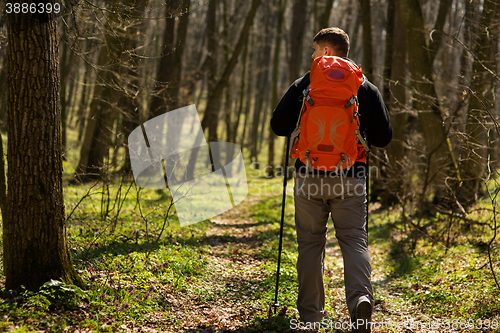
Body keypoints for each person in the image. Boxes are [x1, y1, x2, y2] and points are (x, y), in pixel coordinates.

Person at [270, 27, 392, 332]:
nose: (313, 56)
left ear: (326, 51)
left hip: (308, 176)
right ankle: (360, 299)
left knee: (310, 243)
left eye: (315, 50)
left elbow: (278, 127)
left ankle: (312, 315)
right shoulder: (365, 86)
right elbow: (383, 138)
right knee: (353, 240)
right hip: (350, 178)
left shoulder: (304, 83)